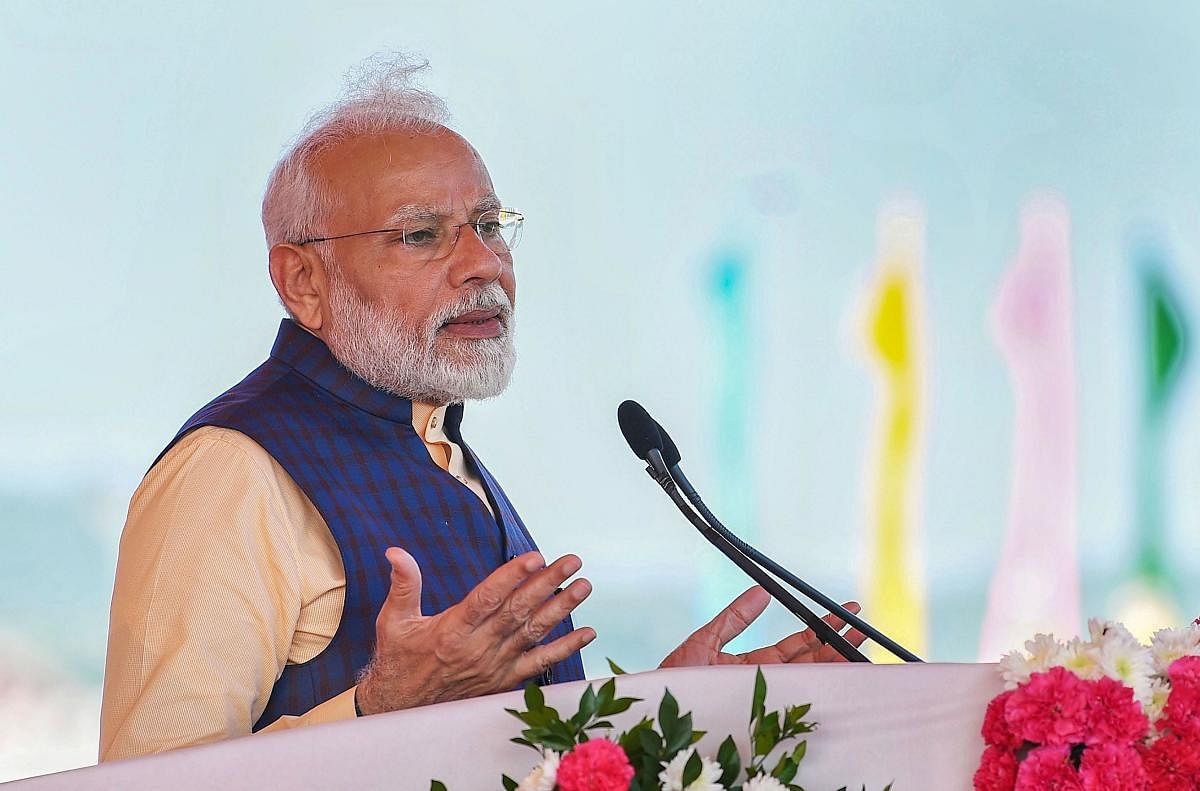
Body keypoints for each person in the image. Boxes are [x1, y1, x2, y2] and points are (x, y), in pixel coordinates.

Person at [99, 55, 865, 762]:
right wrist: (378, 705)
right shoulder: (233, 469)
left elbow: (507, 757)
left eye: (491, 226)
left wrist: (660, 716)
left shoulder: (437, 446)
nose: (483, 264)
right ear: (303, 281)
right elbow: (142, 781)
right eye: (422, 234)